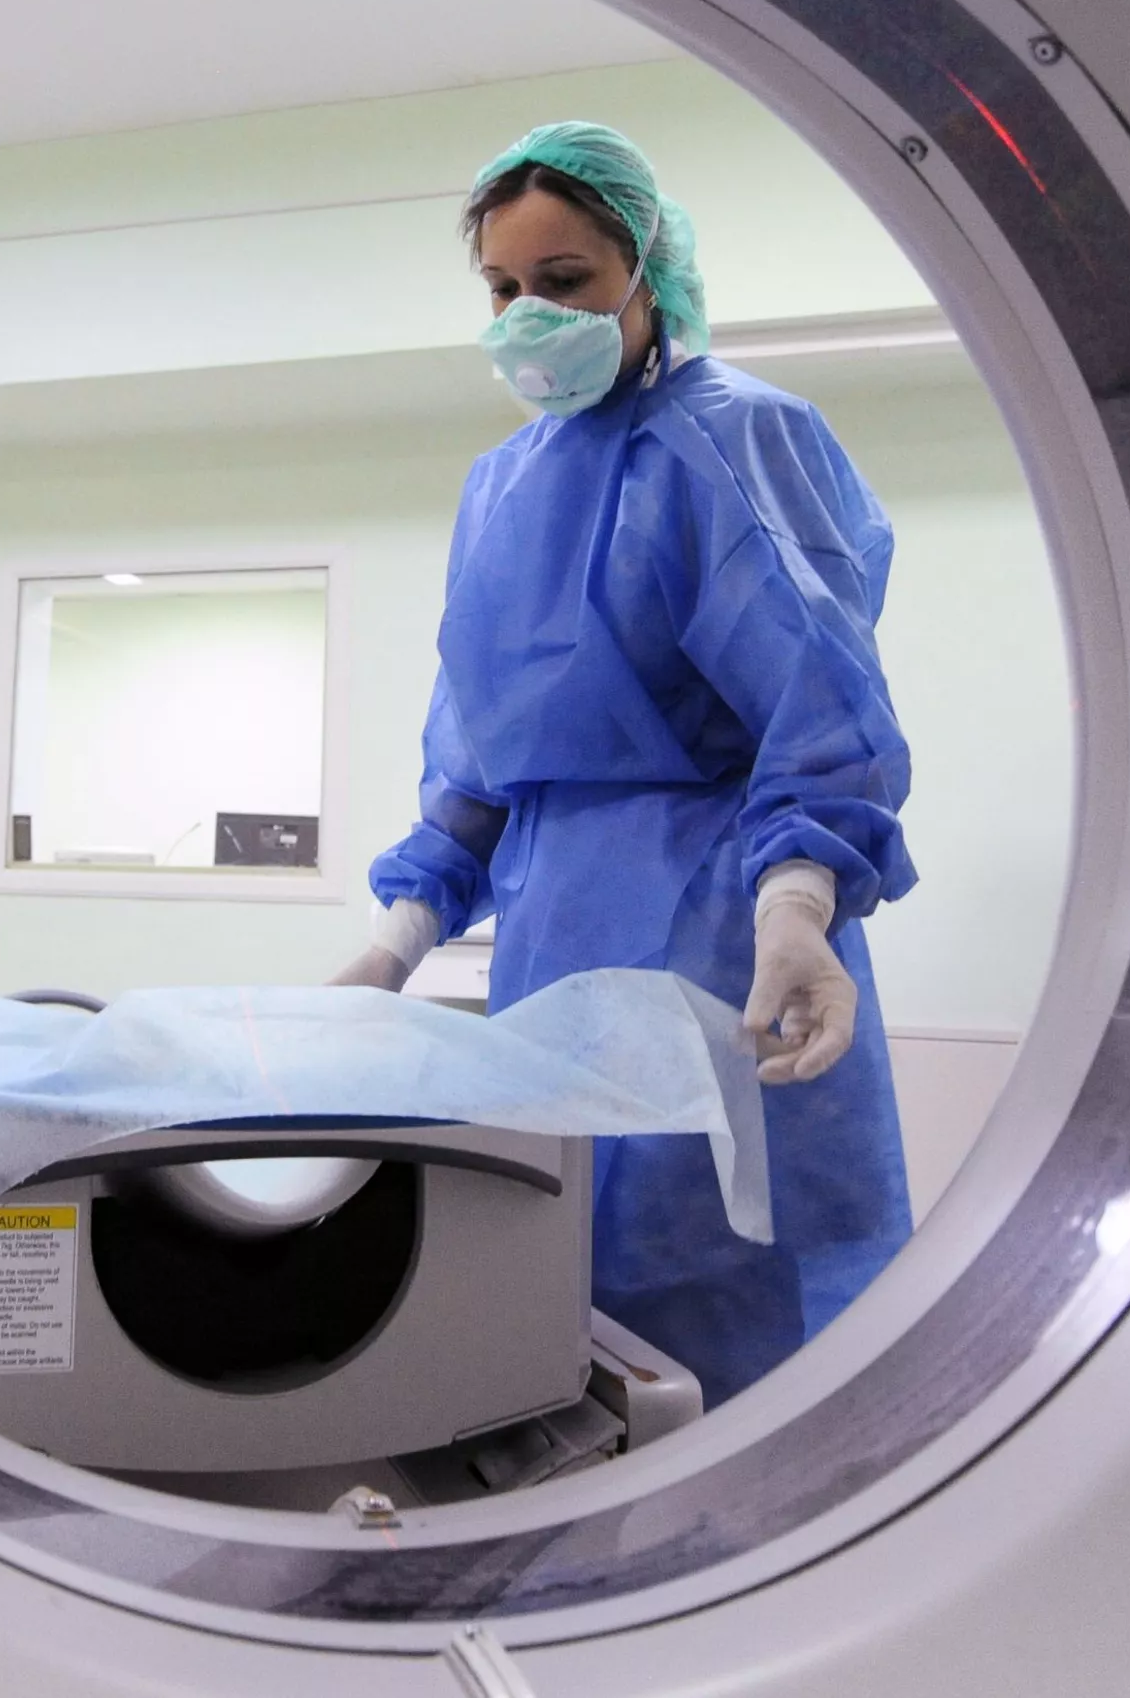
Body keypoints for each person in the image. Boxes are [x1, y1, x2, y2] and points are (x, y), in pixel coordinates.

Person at [333, 122, 917, 1407]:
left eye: (565, 281)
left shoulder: (738, 435)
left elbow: (820, 700)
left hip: (715, 931)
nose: (528, 316)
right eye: (502, 288)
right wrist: (395, 942)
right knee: (557, 1286)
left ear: (650, 272)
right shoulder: (500, 486)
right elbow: (483, 750)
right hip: (549, 950)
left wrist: (798, 904)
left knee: (719, 1293)